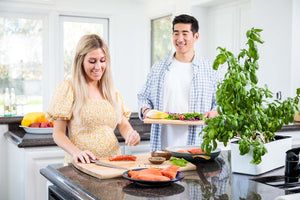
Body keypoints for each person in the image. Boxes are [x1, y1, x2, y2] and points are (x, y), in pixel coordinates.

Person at [47, 34, 140, 165]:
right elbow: (58, 134)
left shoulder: (111, 92)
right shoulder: (68, 88)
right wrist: (77, 152)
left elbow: (123, 124)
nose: (98, 67)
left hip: (112, 164)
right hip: (83, 165)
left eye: (102, 60)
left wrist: (131, 134)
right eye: (92, 61)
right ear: (81, 61)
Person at [137, 14, 220, 151]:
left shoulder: (210, 70)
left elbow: (221, 103)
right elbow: (143, 96)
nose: (179, 39)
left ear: (196, 37)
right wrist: (145, 109)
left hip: (196, 145)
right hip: (162, 145)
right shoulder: (159, 67)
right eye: (176, 33)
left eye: (185, 33)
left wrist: (216, 112)